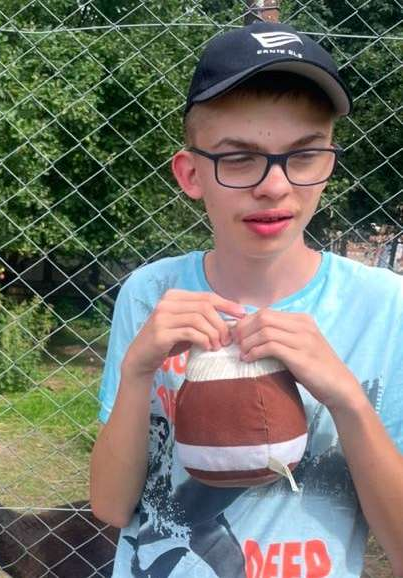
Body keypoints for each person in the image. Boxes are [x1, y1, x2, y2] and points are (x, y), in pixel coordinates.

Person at [89, 20, 403, 578]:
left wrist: (347, 400)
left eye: (303, 155)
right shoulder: (152, 294)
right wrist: (138, 370)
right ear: (191, 174)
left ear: (329, 162)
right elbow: (112, 507)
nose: (274, 186)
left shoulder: (383, 308)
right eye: (238, 158)